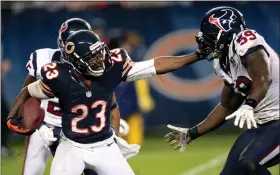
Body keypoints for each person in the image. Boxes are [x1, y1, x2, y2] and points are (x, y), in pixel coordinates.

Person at [7, 27, 209, 175]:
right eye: (92, 57)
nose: (100, 60)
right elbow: (28, 90)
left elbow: (156, 65)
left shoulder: (113, 66)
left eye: (100, 53)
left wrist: (196, 55)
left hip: (105, 146)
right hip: (71, 147)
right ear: (76, 61)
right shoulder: (57, 76)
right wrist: (12, 116)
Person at [165, 6, 279, 175]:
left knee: (248, 164)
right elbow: (227, 106)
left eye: (210, 37)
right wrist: (192, 133)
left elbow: (263, 77)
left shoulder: (246, 40)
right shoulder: (221, 63)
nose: (205, 42)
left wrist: (249, 104)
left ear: (226, 32)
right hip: (261, 124)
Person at [21, 18, 125, 175]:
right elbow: (27, 93)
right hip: (45, 127)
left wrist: (113, 137)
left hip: (76, 133)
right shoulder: (44, 59)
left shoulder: (94, 64)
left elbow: (111, 105)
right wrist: (37, 125)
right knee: (31, 170)